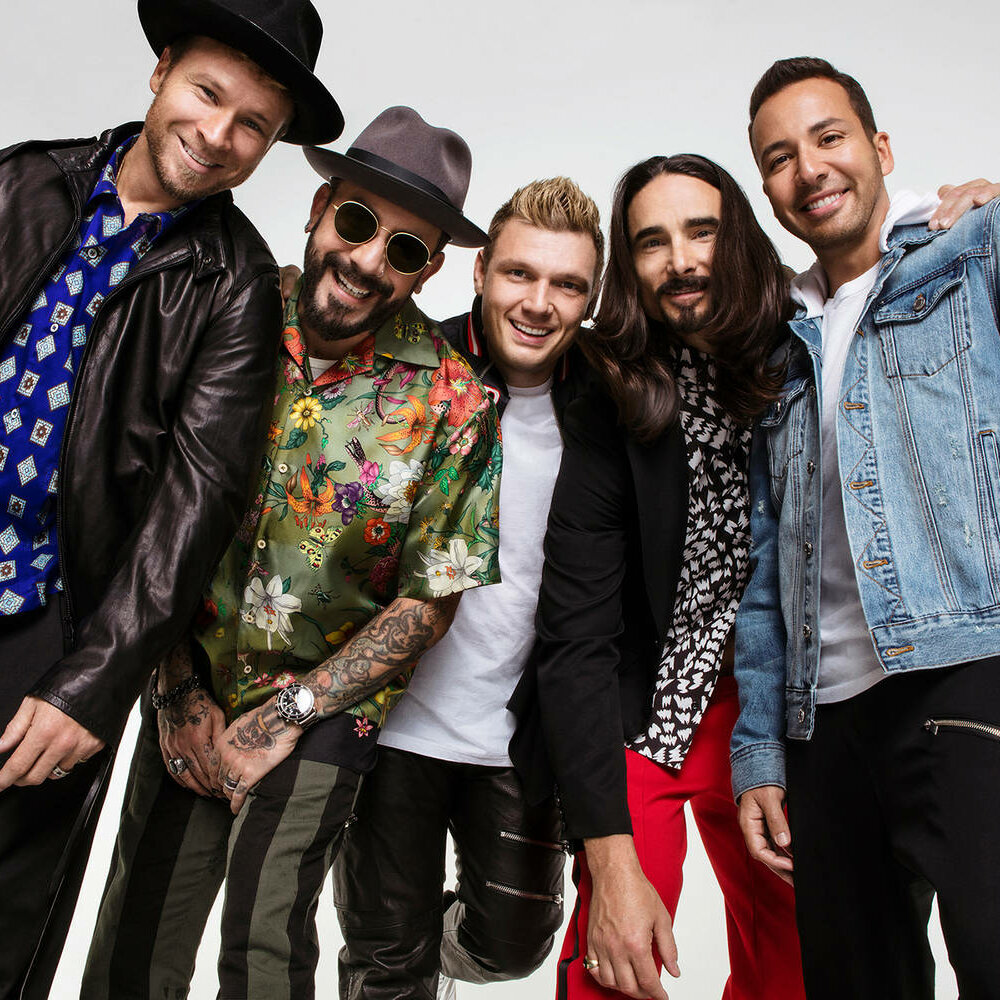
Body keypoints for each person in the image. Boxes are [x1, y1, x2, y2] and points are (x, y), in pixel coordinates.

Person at [82, 105, 502, 1000]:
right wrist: (177, 689)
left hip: (328, 702)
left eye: (404, 250)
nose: (367, 260)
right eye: (357, 221)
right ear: (320, 207)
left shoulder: (458, 402)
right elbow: (153, 508)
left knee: (264, 947)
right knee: (134, 944)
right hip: (189, 671)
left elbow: (429, 602)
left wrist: (291, 713)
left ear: (429, 270)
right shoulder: (226, 314)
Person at [0, 1, 341, 995]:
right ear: (160, 73)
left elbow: (195, 505)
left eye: (254, 125)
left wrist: (91, 685)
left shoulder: (235, 284)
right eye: (206, 92)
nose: (219, 134)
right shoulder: (23, 180)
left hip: (47, 631)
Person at [732, 56, 1000, 1000]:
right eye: (778, 157)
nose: (808, 168)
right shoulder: (780, 338)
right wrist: (760, 750)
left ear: (881, 148)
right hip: (824, 723)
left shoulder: (970, 251)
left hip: (966, 673)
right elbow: (763, 569)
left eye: (828, 137)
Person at [510, 154, 807, 1000]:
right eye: (651, 241)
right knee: (618, 961)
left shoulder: (807, 345)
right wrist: (608, 861)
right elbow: (577, 628)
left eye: (701, 231)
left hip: (777, 710)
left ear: (738, 234)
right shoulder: (610, 387)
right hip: (646, 709)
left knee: (797, 962)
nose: (680, 260)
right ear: (629, 265)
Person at [333, 177, 602, 1000]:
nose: (538, 303)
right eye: (519, 273)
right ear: (481, 270)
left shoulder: (607, 403)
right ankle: (400, 955)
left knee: (512, 946)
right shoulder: (412, 368)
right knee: (385, 966)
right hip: (391, 722)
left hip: (517, 737)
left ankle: (427, 953)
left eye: (567, 284)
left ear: (592, 299)